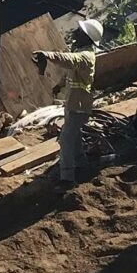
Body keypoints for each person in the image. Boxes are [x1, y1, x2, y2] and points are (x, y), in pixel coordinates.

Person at [34, 17, 103, 185]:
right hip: (74, 103)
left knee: (66, 139)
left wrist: (48, 55)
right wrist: (59, 86)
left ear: (87, 37)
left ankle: (67, 178)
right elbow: (70, 72)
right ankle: (81, 164)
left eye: (80, 32)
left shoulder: (86, 56)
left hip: (79, 105)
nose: (75, 33)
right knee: (74, 135)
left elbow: (70, 60)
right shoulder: (81, 54)